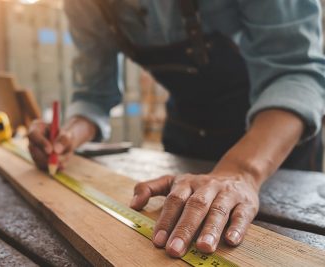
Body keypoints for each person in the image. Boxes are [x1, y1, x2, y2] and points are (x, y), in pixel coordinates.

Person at [28, 0, 325, 257]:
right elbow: (93, 95)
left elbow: (296, 74)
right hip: (188, 135)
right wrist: (68, 135)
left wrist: (242, 171)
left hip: (273, 143)